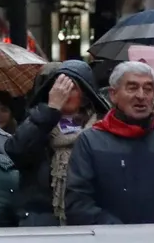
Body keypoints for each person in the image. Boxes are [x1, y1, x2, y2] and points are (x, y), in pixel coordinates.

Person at [63, 61, 154, 225]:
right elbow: (78, 203)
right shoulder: (90, 141)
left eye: (148, 89)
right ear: (113, 94)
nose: (141, 96)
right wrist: (122, 232)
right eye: (132, 88)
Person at [9, 61, 106, 226]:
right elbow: (17, 151)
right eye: (58, 86)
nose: (64, 92)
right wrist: (51, 110)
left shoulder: (102, 126)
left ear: (85, 96)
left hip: (89, 220)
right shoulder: (38, 119)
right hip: (43, 220)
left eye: (71, 87)